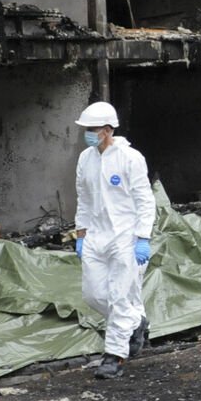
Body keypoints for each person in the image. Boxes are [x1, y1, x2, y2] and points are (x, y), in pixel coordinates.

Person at [73, 101, 155, 379]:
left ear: (108, 130)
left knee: (119, 297)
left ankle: (114, 356)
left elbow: (145, 200)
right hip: (96, 236)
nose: (87, 133)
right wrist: (81, 233)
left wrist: (142, 237)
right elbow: (83, 199)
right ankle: (136, 321)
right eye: (85, 129)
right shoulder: (85, 158)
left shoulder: (131, 158)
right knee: (94, 295)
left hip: (125, 237)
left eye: (92, 129)